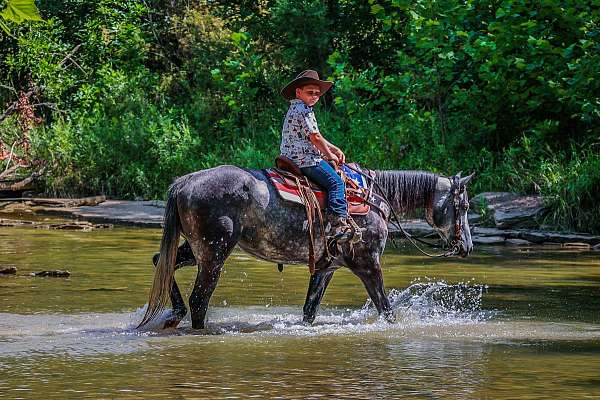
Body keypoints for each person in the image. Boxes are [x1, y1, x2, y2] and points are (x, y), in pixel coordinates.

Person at [279, 69, 354, 244]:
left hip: (290, 156)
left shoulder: (295, 107)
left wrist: (334, 149)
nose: (314, 96)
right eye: (310, 92)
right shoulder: (304, 110)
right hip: (305, 159)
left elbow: (316, 135)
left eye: (317, 94)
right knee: (336, 182)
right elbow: (315, 138)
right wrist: (330, 156)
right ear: (299, 92)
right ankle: (339, 225)